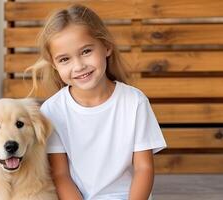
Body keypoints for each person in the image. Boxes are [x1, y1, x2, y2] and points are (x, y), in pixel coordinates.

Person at [28, 4, 167, 200]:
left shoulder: (134, 102)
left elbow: (143, 169)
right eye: (65, 59)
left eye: (86, 51)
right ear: (54, 64)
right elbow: (60, 175)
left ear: (107, 47)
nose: (78, 66)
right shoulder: (53, 111)